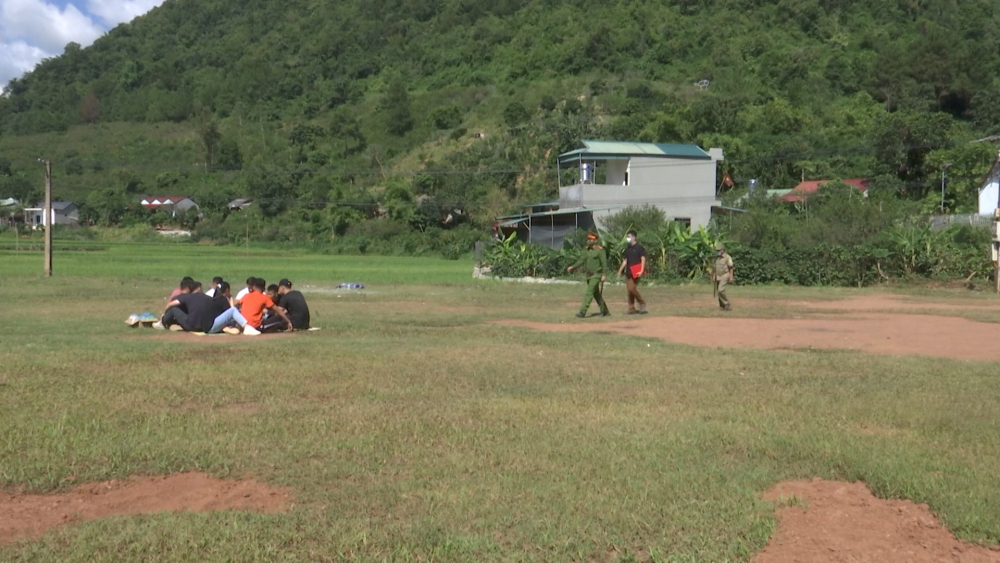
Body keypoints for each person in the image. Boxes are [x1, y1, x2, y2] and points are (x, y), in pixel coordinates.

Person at [567, 232, 610, 318]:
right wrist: (573, 267)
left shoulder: (600, 250)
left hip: (596, 274)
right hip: (589, 275)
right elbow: (581, 260)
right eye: (588, 239)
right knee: (596, 294)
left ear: (595, 240)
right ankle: (605, 310)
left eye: (591, 239)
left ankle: (582, 311)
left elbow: (604, 263)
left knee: (589, 293)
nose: (589, 240)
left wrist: (604, 274)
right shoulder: (587, 250)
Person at [616, 230, 647, 315]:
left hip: (636, 271)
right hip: (628, 271)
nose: (627, 239)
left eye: (629, 237)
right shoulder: (628, 248)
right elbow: (625, 261)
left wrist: (641, 270)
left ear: (634, 237)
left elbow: (643, 259)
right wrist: (620, 270)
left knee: (631, 288)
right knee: (629, 291)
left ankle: (642, 303)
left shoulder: (639, 248)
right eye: (627, 237)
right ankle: (631, 308)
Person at [713, 243, 735, 311]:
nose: (718, 252)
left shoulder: (727, 257)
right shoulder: (717, 258)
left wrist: (731, 277)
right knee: (718, 292)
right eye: (717, 250)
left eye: (719, 250)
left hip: (725, 275)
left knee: (721, 290)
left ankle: (727, 303)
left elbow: (731, 267)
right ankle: (723, 306)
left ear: (723, 250)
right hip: (718, 276)